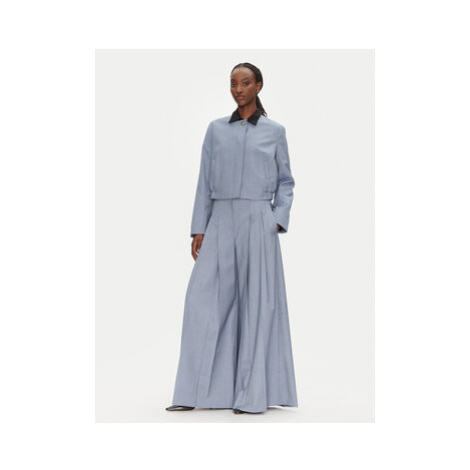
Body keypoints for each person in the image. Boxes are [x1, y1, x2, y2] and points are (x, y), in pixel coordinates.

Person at [166, 62, 298, 414]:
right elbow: (204, 180)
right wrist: (199, 227)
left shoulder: (274, 132)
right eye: (233, 83)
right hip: (220, 219)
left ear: (258, 86)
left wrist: (276, 220)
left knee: (256, 306)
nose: (238, 89)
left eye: (245, 83)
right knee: (203, 302)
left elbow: (286, 182)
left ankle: (251, 396)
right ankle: (194, 393)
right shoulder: (215, 130)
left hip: (258, 220)